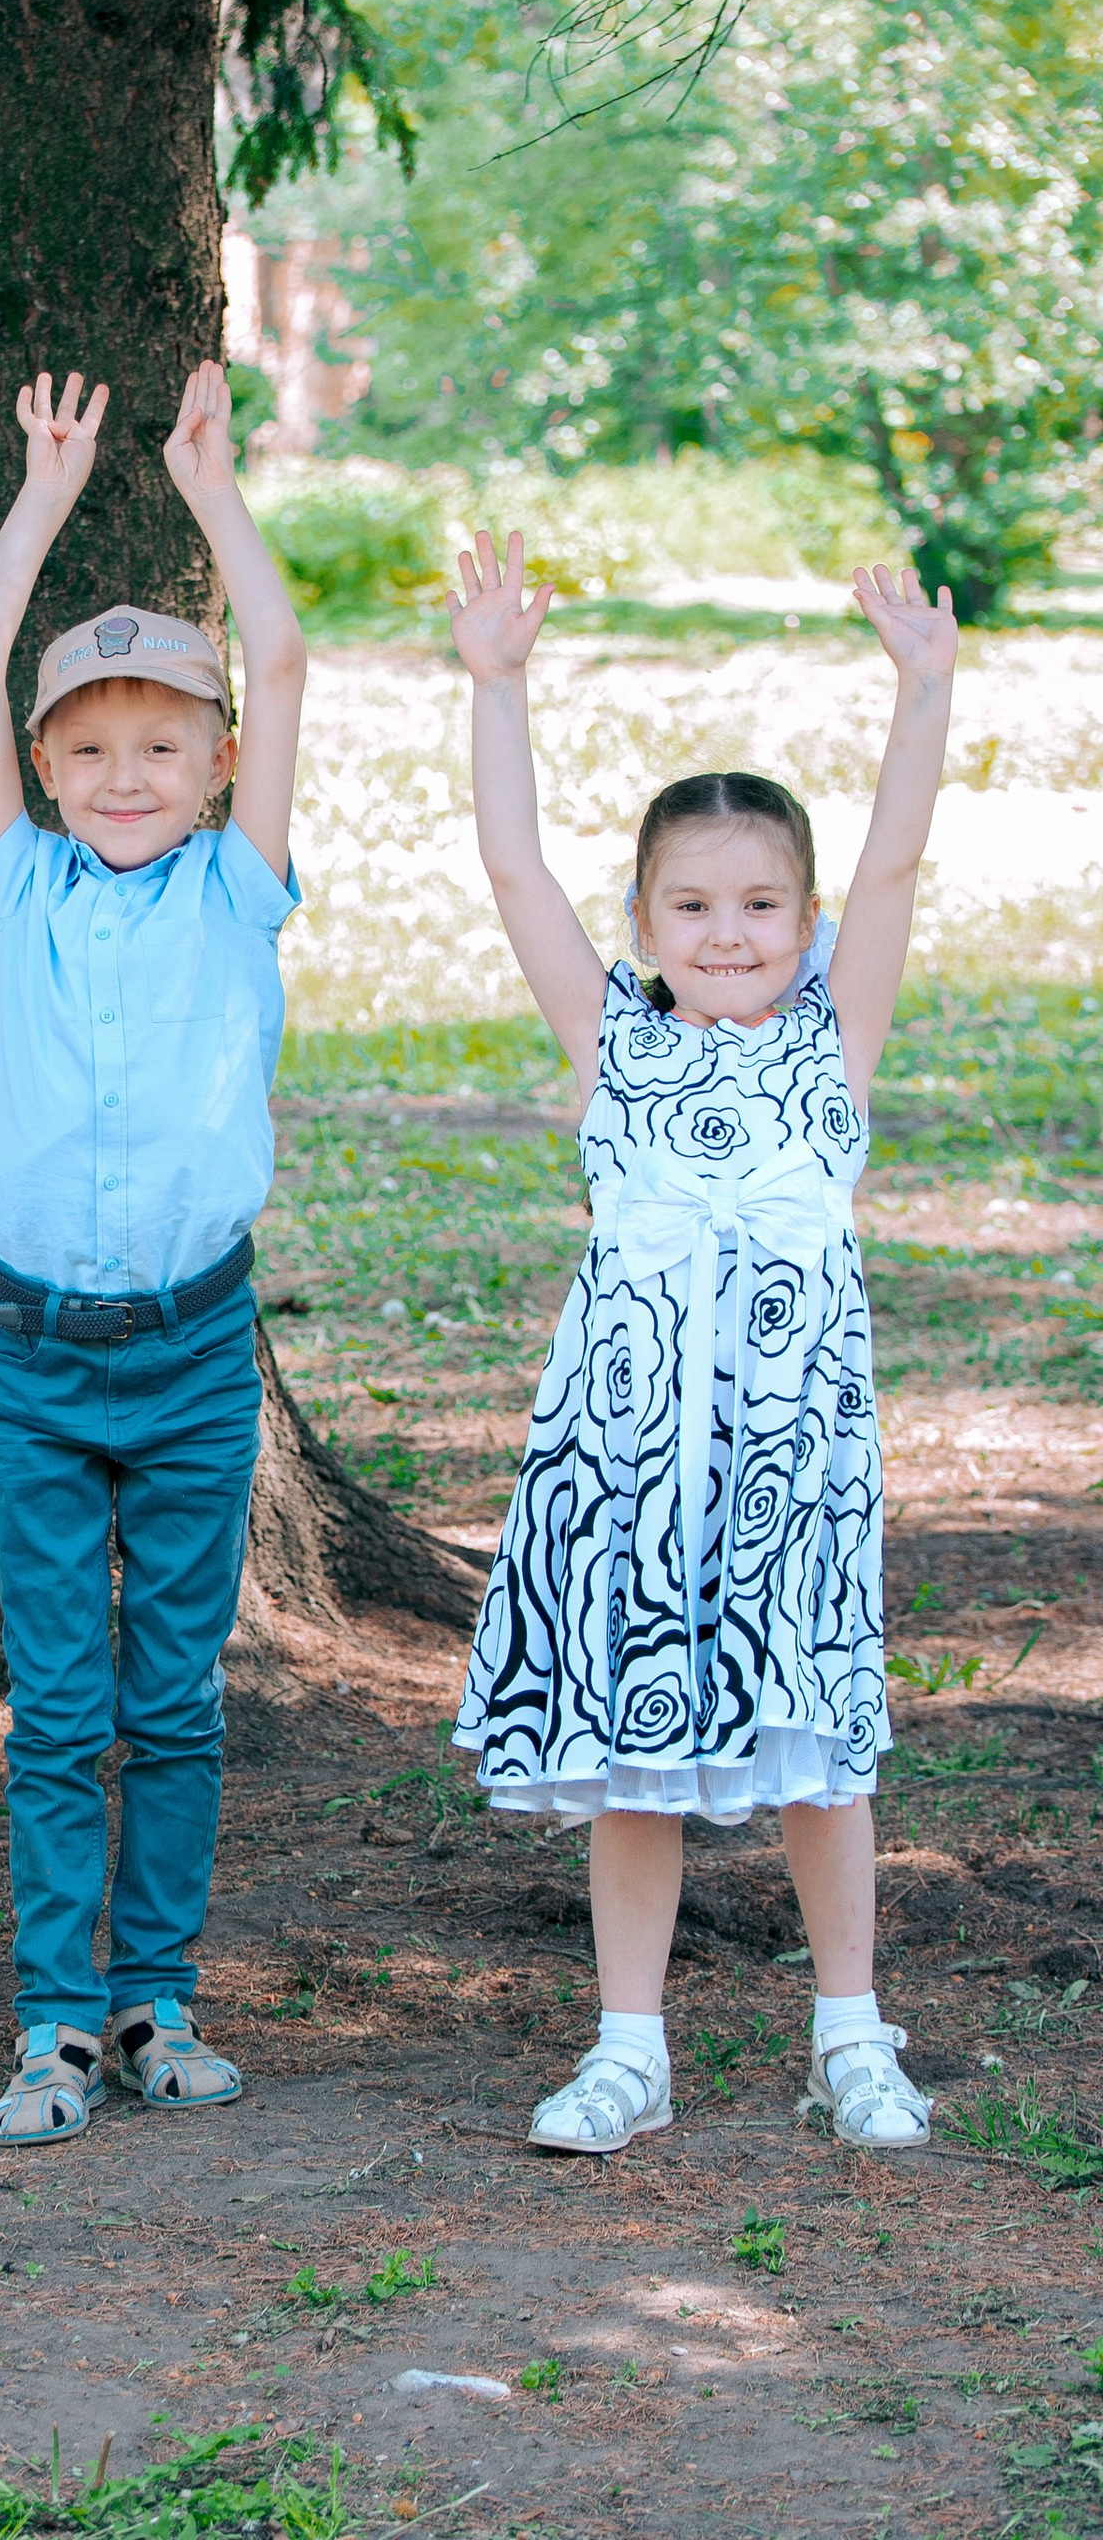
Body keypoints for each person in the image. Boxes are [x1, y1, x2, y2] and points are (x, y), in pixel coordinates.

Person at [448, 529, 951, 2155]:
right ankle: (629, 2049)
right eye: (691, 903)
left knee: (820, 1753)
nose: (726, 929)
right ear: (647, 917)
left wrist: (924, 693)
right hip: (634, 1462)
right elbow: (515, 869)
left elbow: (890, 867)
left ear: (801, 922)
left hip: (794, 1456)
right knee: (634, 1760)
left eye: (759, 904)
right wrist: (498, 688)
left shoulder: (832, 1043)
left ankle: (851, 2035)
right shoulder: (612, 1041)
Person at [0, 363, 306, 2145]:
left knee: (172, 1700)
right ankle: (55, 2024)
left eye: (165, 743)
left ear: (219, 761)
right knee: (56, 1702)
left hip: (189, 1351)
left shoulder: (240, 885)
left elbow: (291, 658)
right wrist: (47, 490)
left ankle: (158, 1999)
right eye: (89, 746)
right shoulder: (12, 883)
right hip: (34, 1353)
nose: (126, 773)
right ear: (42, 766)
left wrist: (208, 486)